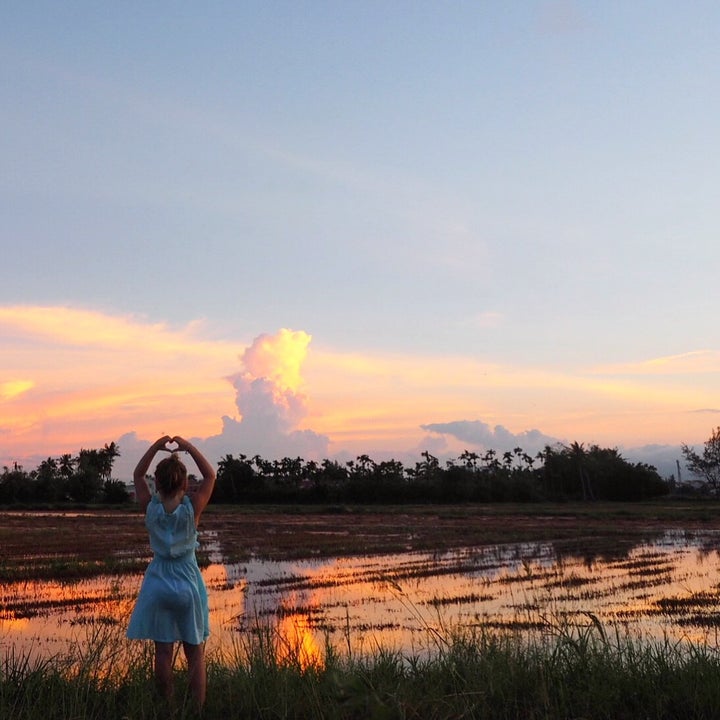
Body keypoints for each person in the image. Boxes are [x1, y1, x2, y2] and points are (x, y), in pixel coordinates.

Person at [127, 435, 216, 710]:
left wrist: (156, 447)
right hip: (187, 582)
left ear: (158, 482)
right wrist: (187, 448)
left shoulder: (150, 508)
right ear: (185, 484)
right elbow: (210, 475)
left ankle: (167, 709)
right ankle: (197, 710)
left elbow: (138, 474)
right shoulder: (191, 510)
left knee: (163, 652)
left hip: (158, 583)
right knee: (195, 653)